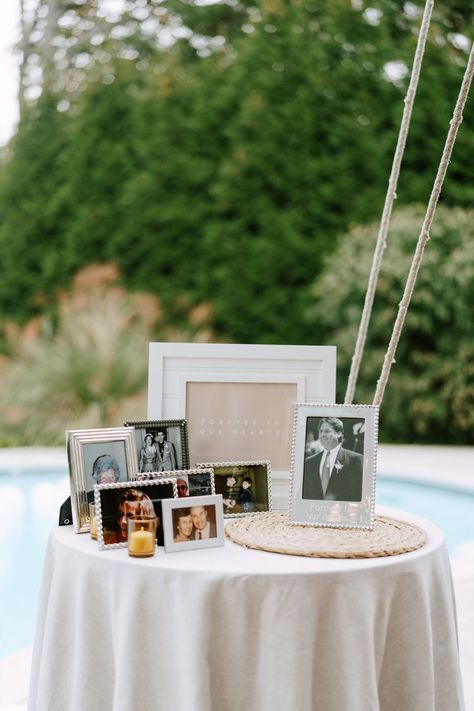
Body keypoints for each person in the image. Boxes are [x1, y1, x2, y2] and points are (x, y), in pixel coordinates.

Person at [302, 417, 363, 502]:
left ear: (338, 434)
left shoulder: (355, 460)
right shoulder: (309, 462)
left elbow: (357, 494)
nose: (322, 435)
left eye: (327, 431)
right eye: (321, 431)